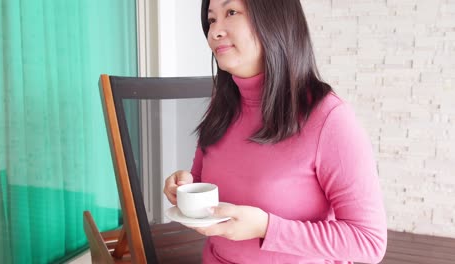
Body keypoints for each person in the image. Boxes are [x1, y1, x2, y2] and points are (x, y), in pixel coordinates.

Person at [163, 0, 387, 263]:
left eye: (231, 12)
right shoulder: (221, 106)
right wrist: (186, 185)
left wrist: (267, 228)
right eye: (211, 20)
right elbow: (205, 180)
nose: (215, 32)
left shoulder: (329, 118)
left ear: (274, 19)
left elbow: (369, 241)